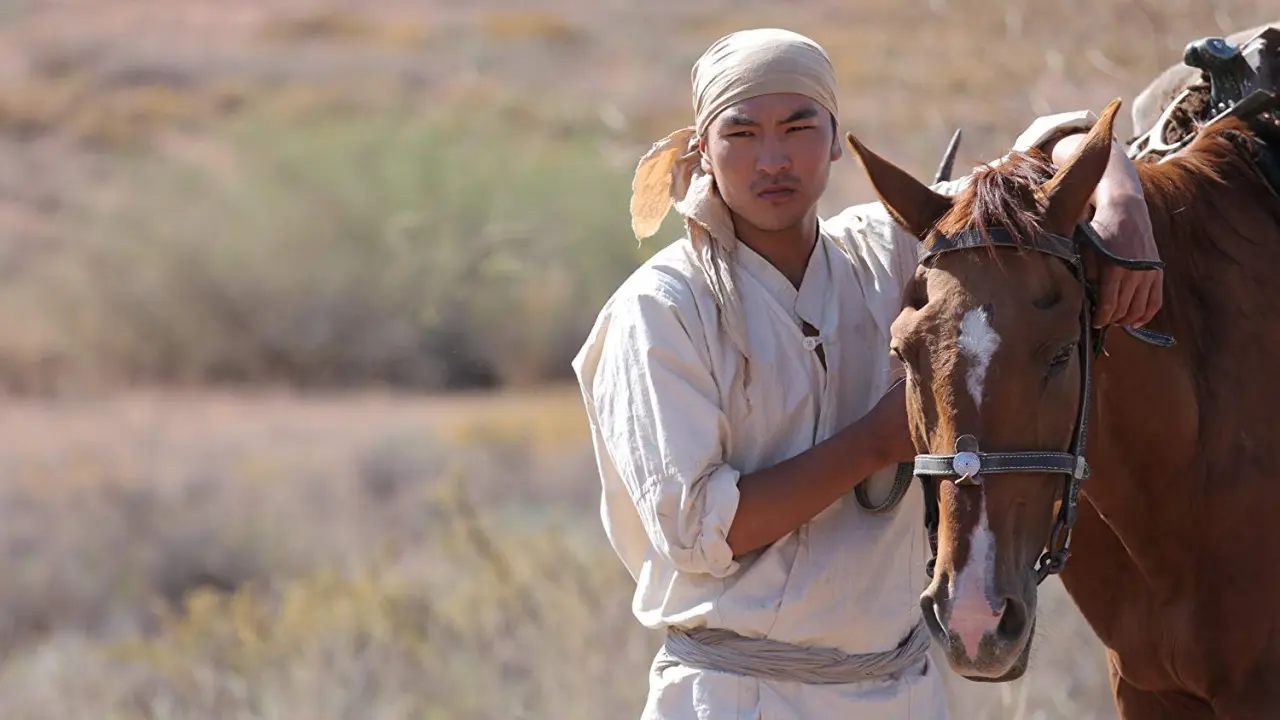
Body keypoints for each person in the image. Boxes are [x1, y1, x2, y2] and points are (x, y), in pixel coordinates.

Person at [571, 28, 1161, 719]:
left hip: (902, 692)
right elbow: (701, 532)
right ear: (703, 150)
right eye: (742, 134)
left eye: (798, 128)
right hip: (734, 698)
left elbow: (1050, 151)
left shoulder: (894, 251)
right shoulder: (664, 308)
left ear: (832, 138)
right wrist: (879, 441)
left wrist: (1123, 206)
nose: (773, 159)